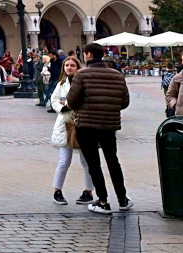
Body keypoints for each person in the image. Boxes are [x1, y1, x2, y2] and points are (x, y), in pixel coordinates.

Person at [67, 42, 132, 214]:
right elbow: (125, 102)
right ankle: (122, 198)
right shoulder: (117, 75)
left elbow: (72, 101)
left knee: (93, 163)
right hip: (109, 125)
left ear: (88, 55)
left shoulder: (81, 75)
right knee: (113, 160)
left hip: (86, 125)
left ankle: (103, 201)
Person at [50, 56, 95, 205]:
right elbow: (54, 100)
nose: (69, 68)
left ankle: (88, 191)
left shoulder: (83, 82)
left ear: (78, 67)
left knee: (86, 160)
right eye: (66, 65)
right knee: (64, 161)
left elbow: (83, 100)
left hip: (82, 123)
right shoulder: (61, 84)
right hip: (64, 124)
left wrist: (68, 103)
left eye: (72, 65)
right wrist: (62, 107)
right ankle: (57, 190)